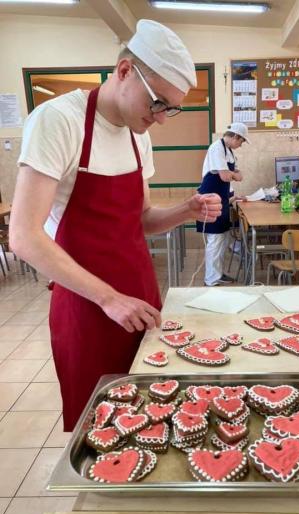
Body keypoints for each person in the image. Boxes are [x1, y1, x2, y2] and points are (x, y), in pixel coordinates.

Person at [9, 19, 221, 431]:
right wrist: (109, 299)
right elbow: (23, 235)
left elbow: (140, 220)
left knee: (150, 415)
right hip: (88, 307)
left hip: (139, 298)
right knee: (102, 426)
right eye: (158, 102)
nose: (161, 119)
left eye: (170, 109)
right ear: (125, 71)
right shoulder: (59, 121)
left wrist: (185, 210)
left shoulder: (138, 133)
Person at [196, 123, 249, 286]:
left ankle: (218, 273)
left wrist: (232, 177)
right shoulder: (216, 148)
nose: (241, 145)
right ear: (236, 136)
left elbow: (238, 175)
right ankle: (211, 279)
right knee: (215, 240)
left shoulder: (229, 151)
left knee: (224, 239)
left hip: (222, 200)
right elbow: (226, 177)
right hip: (211, 200)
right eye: (241, 141)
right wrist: (233, 175)